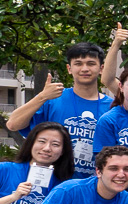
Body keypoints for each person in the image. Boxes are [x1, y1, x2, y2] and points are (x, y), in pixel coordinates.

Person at [8, 41, 115, 177]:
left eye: (91, 63)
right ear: (69, 69)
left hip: (94, 186)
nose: (84, 69)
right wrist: (42, 97)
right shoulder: (53, 99)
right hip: (52, 182)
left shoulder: (112, 107)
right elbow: (12, 124)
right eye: (78, 64)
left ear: (101, 68)